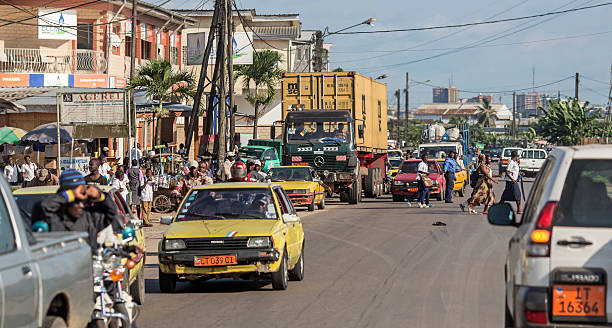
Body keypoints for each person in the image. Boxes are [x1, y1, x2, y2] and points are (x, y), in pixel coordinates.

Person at [36, 169, 123, 251]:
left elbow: (111, 213)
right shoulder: (54, 217)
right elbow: (44, 207)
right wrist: (72, 194)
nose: (80, 205)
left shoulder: (90, 217)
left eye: (82, 199)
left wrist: (101, 197)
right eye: (75, 201)